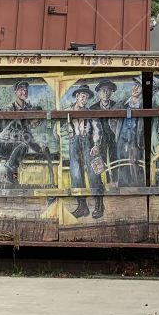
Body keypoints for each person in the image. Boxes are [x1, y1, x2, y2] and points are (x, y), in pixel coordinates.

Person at [0, 79, 52, 187]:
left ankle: (13, 182)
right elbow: (5, 129)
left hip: (20, 144)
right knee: (15, 156)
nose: (24, 92)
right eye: (21, 89)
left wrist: (39, 149)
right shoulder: (9, 109)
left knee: (18, 156)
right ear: (16, 92)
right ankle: (10, 181)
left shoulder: (29, 109)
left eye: (26, 90)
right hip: (8, 143)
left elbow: (27, 133)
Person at [66, 83, 105, 220]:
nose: (84, 99)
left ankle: (99, 205)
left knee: (95, 173)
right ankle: (82, 206)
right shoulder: (67, 111)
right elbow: (56, 129)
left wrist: (96, 144)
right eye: (83, 96)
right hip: (73, 143)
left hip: (89, 143)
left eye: (87, 97)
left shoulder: (90, 112)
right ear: (77, 96)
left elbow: (98, 129)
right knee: (76, 174)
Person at [116, 79, 145, 187]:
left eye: (139, 86)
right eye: (134, 85)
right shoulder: (122, 103)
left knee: (135, 168)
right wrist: (118, 133)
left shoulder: (144, 106)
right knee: (122, 167)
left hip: (135, 142)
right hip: (121, 141)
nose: (135, 88)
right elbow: (111, 120)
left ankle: (138, 196)